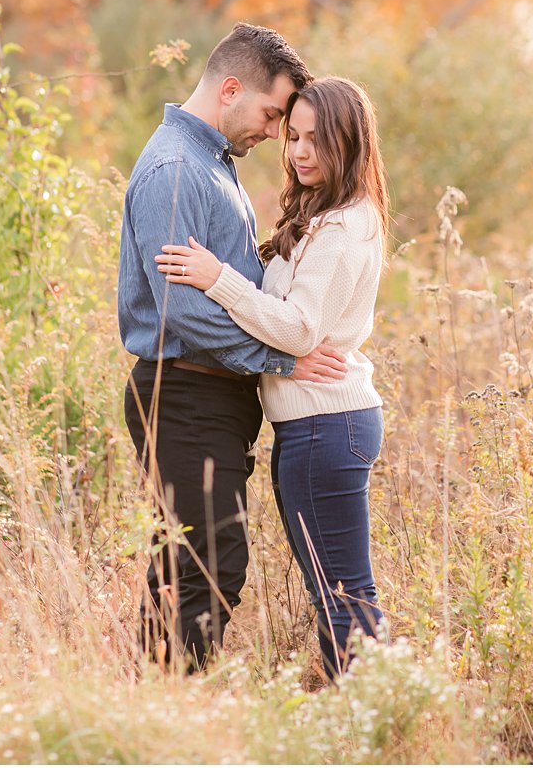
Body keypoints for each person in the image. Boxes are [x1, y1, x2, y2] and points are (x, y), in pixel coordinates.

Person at [118, 22, 347, 673]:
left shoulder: (211, 165)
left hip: (210, 398)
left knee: (191, 565)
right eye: (273, 114)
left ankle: (154, 711)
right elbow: (184, 311)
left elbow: (226, 285)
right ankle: (165, 715)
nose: (276, 132)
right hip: (183, 391)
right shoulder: (175, 168)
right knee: (208, 567)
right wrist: (283, 357)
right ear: (229, 88)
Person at [156, 76, 389, 679]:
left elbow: (299, 329)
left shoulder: (342, 228)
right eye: (294, 136)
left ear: (353, 143)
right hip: (314, 426)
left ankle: (376, 719)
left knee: (343, 595)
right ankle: (371, 711)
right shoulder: (322, 215)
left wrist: (216, 278)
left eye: (319, 140)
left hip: (325, 426)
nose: (301, 151)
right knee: (335, 591)